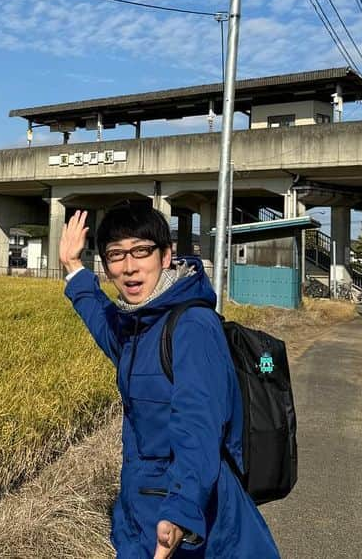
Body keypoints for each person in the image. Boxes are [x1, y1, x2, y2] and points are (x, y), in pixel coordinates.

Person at [60, 204, 280, 559]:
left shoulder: (192, 325)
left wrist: (181, 511)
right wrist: (73, 268)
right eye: (116, 255)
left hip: (190, 518)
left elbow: (199, 423)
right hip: (142, 507)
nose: (129, 267)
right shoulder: (140, 326)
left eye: (141, 251)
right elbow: (104, 325)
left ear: (166, 256)